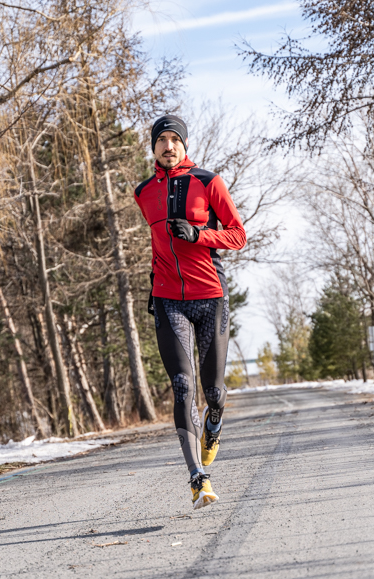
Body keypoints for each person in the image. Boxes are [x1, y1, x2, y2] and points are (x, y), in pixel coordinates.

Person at [133, 115, 246, 509]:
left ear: (184, 145)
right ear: (153, 148)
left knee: (212, 392)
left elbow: (238, 235)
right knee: (183, 385)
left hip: (210, 296)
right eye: (160, 140)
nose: (167, 146)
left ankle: (214, 422)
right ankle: (198, 478)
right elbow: (156, 246)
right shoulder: (142, 191)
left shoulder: (207, 182)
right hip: (167, 300)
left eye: (174, 139)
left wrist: (200, 235)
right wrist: (154, 283)